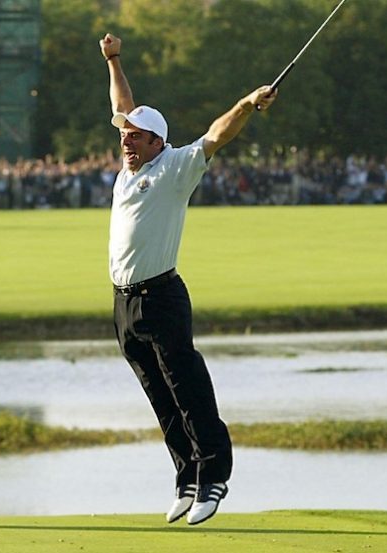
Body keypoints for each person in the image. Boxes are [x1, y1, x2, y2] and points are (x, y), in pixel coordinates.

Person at [99, 33, 277, 526]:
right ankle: (186, 477)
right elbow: (123, 104)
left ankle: (214, 476)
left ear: (158, 141)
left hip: (160, 296)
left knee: (187, 387)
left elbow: (217, 135)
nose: (126, 141)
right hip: (123, 304)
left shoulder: (176, 166)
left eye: (136, 136)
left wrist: (245, 102)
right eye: (124, 136)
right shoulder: (127, 169)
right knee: (159, 395)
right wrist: (114, 60)